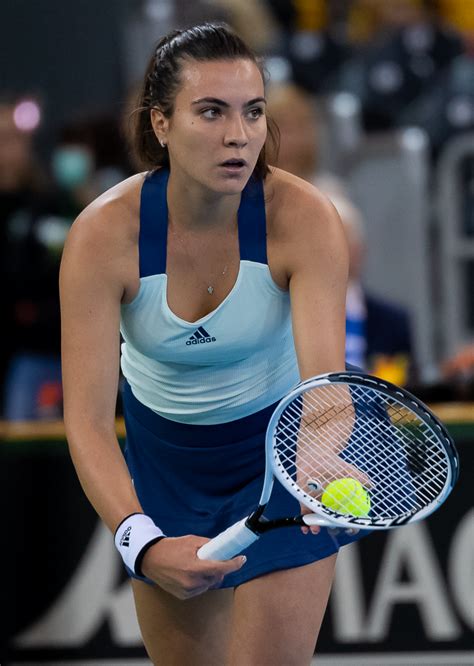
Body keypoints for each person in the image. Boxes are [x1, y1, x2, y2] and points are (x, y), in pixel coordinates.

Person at [60, 23, 367, 665]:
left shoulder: (305, 219)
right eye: (211, 111)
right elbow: (87, 421)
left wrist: (314, 465)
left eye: (253, 112)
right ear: (161, 124)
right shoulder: (101, 238)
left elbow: (326, 391)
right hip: (164, 465)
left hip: (280, 458)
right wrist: (139, 541)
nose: (239, 135)